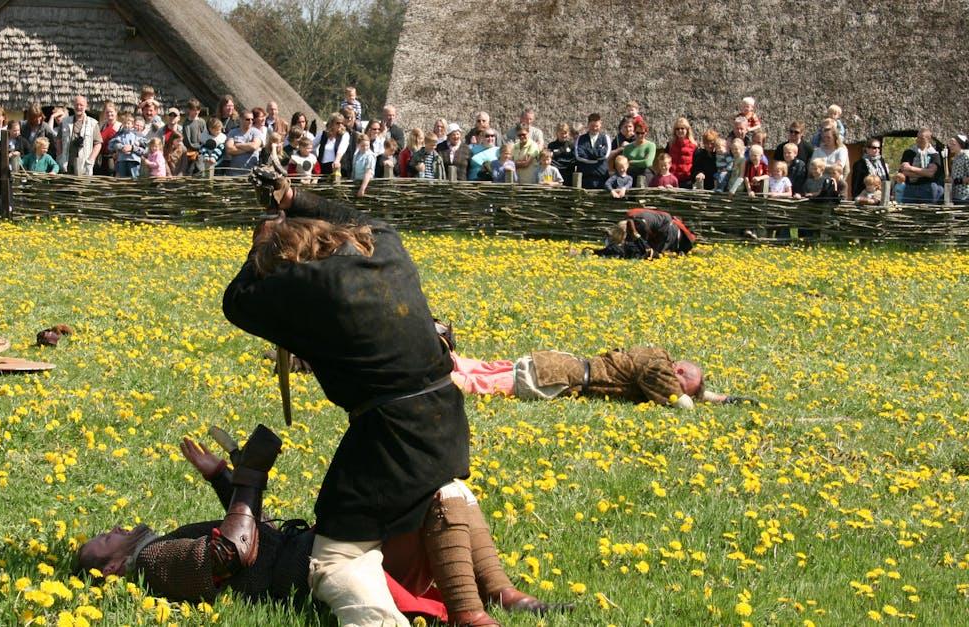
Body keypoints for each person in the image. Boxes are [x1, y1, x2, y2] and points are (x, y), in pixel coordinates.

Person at [225, 170, 555, 626]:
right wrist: (294, 197)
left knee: (335, 559)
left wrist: (261, 243)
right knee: (445, 491)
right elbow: (358, 218)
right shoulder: (385, 247)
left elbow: (237, 301)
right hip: (445, 415)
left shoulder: (304, 287)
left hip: (389, 431)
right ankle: (495, 597)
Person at [78, 431, 558, 624]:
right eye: (104, 539)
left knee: (444, 488)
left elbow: (248, 532)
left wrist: (222, 477)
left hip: (324, 545)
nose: (114, 528)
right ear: (113, 567)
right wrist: (248, 479)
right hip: (312, 568)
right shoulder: (153, 562)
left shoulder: (162, 548)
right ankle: (476, 615)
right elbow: (231, 553)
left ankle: (499, 591)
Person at [449, 346, 751, 407]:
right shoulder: (658, 369)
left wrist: (721, 398)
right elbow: (679, 401)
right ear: (678, 371)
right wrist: (693, 400)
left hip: (559, 363)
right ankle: (434, 378)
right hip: (558, 377)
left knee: (485, 369)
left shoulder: (655, 354)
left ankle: (444, 358)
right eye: (684, 384)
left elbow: (685, 391)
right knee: (481, 385)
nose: (679, 388)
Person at [58, 95, 101, 176]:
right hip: (67, 163)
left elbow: (98, 144)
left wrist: (91, 159)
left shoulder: (93, 123)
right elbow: (58, 140)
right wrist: (60, 156)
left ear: (86, 106)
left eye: (81, 105)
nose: (78, 107)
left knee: (84, 184)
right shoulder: (65, 122)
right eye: (76, 104)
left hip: (85, 164)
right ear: (73, 106)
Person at [898, 128, 942, 203]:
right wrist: (924, 172)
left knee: (927, 209)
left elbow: (931, 173)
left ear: (928, 139)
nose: (918, 140)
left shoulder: (934, 155)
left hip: (927, 188)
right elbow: (905, 171)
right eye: (918, 137)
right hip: (910, 188)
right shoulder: (909, 152)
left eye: (922, 138)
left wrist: (911, 168)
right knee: (907, 209)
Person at [575, 113, 611, 189]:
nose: (594, 128)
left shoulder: (605, 138)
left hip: (601, 178)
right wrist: (597, 158)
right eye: (592, 126)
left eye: (596, 126)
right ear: (588, 125)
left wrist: (588, 152)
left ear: (600, 125)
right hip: (585, 179)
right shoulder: (580, 139)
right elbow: (579, 156)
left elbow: (605, 155)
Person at [224, 110, 264, 176]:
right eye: (247, 119)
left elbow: (254, 146)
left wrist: (238, 145)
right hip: (234, 173)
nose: (250, 121)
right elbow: (229, 150)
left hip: (251, 173)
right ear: (241, 119)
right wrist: (249, 148)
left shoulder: (257, 132)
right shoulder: (233, 132)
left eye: (252, 119)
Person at [110, 113, 147, 179]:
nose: (127, 125)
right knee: (122, 179)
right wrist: (121, 147)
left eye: (128, 123)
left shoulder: (138, 136)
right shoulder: (120, 134)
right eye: (125, 123)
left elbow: (145, 149)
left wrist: (133, 148)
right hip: (122, 159)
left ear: (132, 124)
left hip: (134, 160)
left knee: (134, 178)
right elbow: (111, 145)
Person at [667, 118, 696, 189]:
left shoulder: (693, 145)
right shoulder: (670, 145)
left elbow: (696, 164)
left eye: (682, 128)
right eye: (677, 129)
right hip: (672, 180)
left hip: (687, 181)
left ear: (687, 130)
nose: (680, 130)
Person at [946, 134, 969, 204]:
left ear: (960, 144)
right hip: (955, 194)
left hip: (965, 195)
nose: (950, 146)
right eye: (950, 144)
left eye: (953, 144)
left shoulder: (966, 156)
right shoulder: (955, 157)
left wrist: (954, 181)